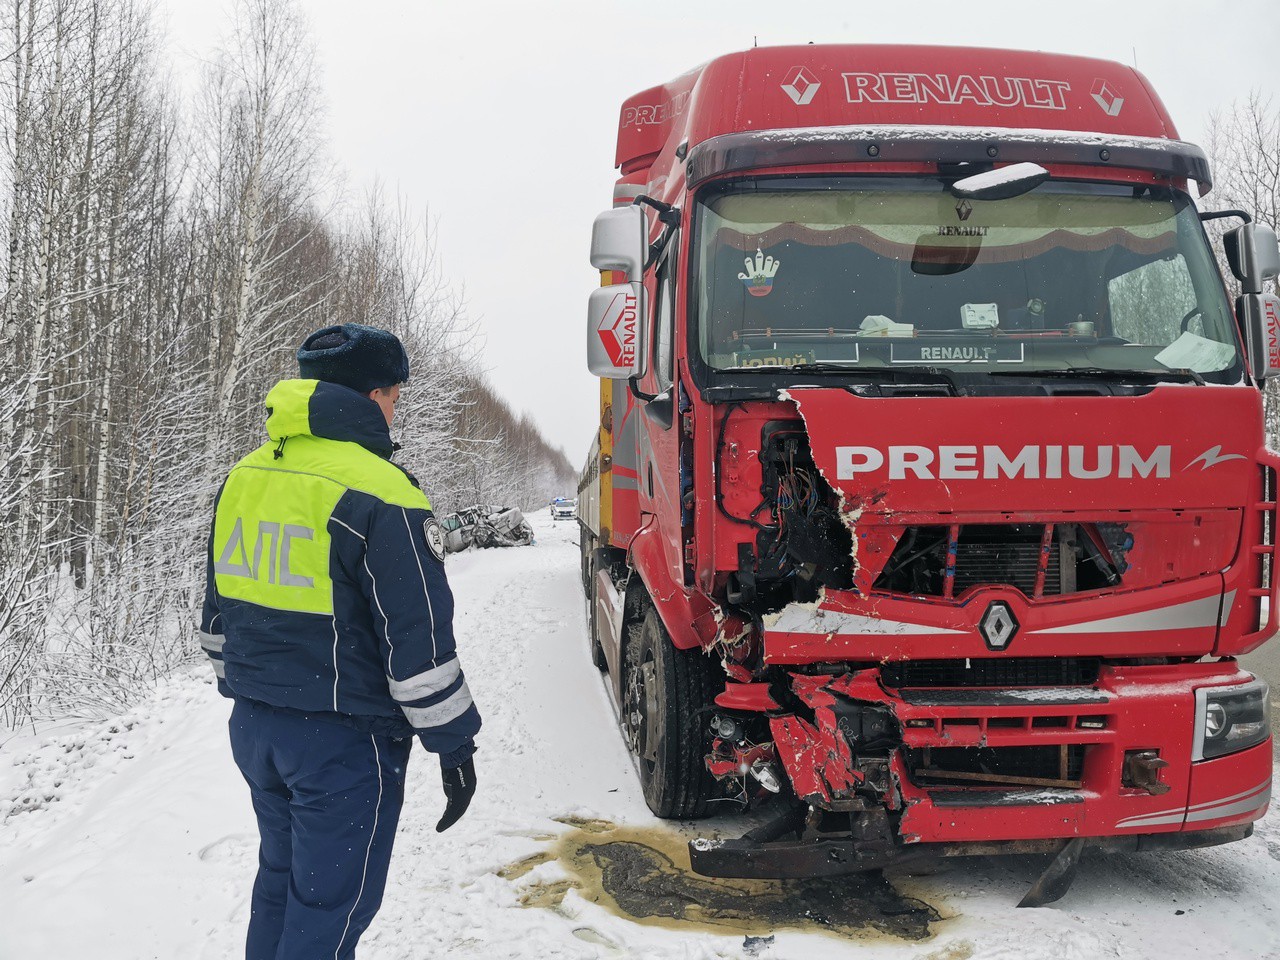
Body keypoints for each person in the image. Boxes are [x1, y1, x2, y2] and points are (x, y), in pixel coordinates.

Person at [199, 323, 481, 960]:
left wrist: (255, 690)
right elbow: (417, 646)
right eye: (395, 396)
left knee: (281, 885)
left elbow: (216, 618)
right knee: (329, 913)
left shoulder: (243, 476)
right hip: (342, 745)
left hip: (257, 731)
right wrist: (454, 744)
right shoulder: (383, 491)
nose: (396, 409)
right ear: (374, 396)